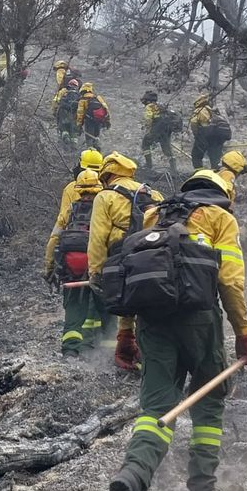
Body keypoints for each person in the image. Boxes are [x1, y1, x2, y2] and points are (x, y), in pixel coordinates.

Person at [105, 165, 247, 491]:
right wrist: (244, 333)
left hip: (152, 322)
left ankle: (132, 475)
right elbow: (229, 281)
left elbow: (131, 277)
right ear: (223, 194)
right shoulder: (220, 218)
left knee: (156, 408)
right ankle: (204, 490)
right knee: (209, 401)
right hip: (199, 321)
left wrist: (125, 332)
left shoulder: (152, 217)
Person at [86, 152, 162, 370]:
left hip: (124, 259)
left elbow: (98, 238)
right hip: (157, 259)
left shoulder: (105, 196)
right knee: (152, 309)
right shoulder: (153, 193)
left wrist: (96, 271)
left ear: (106, 175)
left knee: (128, 300)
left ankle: (132, 349)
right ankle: (155, 357)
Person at [44, 168, 103, 357]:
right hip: (96, 266)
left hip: (70, 269)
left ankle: (70, 349)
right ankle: (101, 349)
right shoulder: (104, 209)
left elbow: (54, 239)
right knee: (103, 309)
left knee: (73, 308)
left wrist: (49, 267)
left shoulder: (70, 210)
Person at [141, 91, 180, 172]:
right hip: (166, 130)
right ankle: (173, 168)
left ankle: (148, 165)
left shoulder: (149, 107)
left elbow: (148, 119)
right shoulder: (161, 106)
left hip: (156, 129)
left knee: (145, 144)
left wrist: (148, 131)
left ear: (148, 100)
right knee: (166, 148)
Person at [190, 93, 231, 170]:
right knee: (215, 158)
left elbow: (193, 122)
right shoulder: (214, 111)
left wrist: (196, 135)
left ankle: (200, 172)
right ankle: (217, 173)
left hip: (204, 135)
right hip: (217, 136)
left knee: (196, 156)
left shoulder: (199, 111)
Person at [54, 75, 82, 143]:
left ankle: (65, 137)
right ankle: (74, 142)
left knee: (63, 127)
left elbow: (56, 101)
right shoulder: (79, 94)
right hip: (74, 114)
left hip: (63, 112)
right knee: (73, 129)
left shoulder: (63, 91)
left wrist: (54, 111)